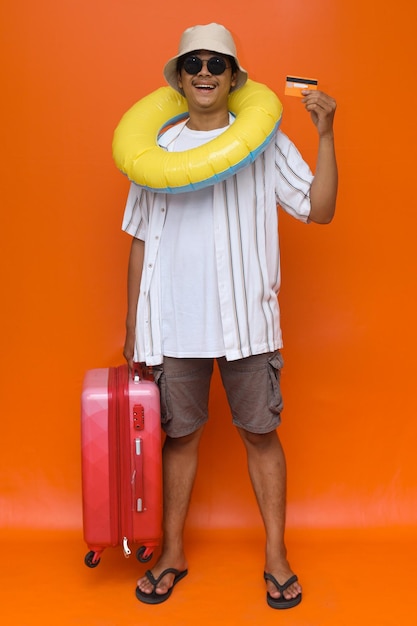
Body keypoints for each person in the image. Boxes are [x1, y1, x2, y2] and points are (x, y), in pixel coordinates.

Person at [121, 23, 337, 608]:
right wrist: (132, 325)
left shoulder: (263, 143)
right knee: (179, 437)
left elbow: (319, 211)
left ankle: (276, 556)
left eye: (218, 64)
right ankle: (172, 551)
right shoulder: (156, 155)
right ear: (181, 77)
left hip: (248, 321)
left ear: (235, 77)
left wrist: (324, 134)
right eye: (195, 63)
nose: (206, 73)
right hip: (173, 321)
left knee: (261, 435)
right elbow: (140, 239)